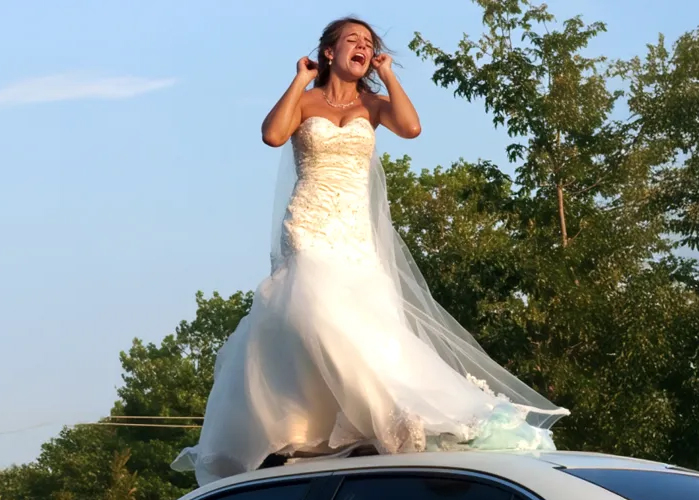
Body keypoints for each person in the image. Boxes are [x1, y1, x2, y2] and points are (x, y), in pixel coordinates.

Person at [172, 17, 569, 486]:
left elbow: (412, 127)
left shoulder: (372, 104)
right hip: (310, 224)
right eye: (352, 41)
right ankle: (372, 412)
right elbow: (273, 135)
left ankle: (379, 414)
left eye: (369, 44)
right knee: (316, 309)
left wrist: (391, 74)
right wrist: (299, 79)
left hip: (355, 231)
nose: (362, 47)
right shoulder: (305, 100)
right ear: (328, 52)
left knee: (367, 322)